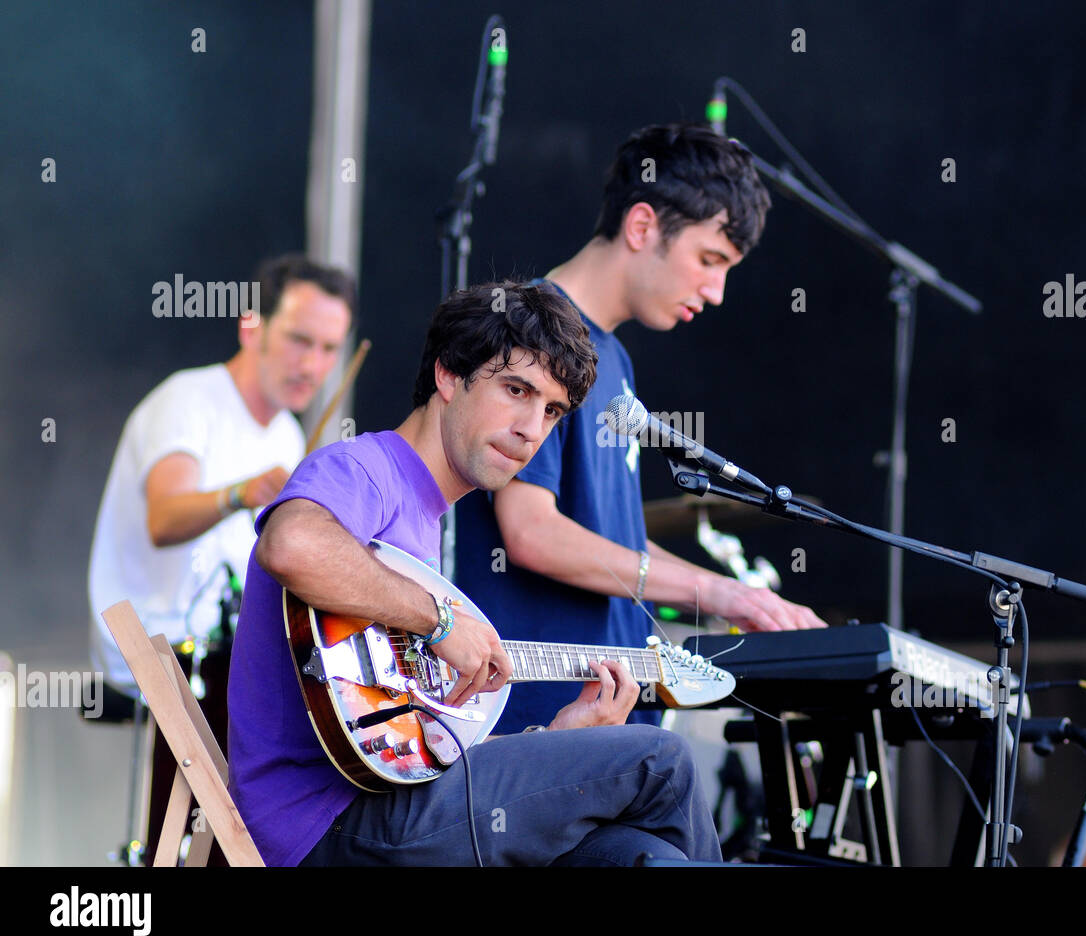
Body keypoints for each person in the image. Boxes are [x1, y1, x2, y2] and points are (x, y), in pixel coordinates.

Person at [227, 281, 721, 866]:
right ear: (448, 375)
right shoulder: (364, 467)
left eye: (552, 411)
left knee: (639, 857)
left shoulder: (424, 524)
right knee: (661, 762)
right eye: (517, 390)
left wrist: (555, 743)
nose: (532, 428)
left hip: (390, 806)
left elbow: (408, 748)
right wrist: (438, 620)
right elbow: (290, 543)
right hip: (326, 826)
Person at [453, 124, 825, 734]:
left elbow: (611, 541)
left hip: (611, 721)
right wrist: (721, 595)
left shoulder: (614, 362)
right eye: (709, 260)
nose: (716, 290)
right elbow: (530, 532)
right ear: (643, 226)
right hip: (540, 726)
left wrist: (732, 594)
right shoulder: (532, 333)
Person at [88, 254, 355, 701]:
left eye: (328, 349)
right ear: (251, 328)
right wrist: (240, 493)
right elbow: (164, 520)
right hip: (154, 647)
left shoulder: (287, 434)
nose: (312, 365)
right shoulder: (188, 399)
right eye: (298, 340)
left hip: (219, 649)